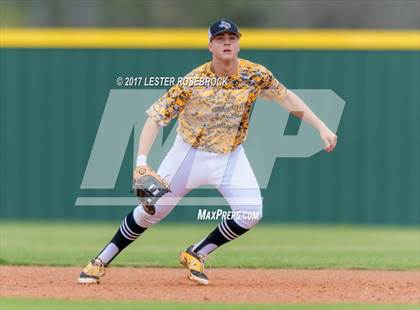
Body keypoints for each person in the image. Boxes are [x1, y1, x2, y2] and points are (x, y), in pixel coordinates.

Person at [78, 19, 337, 285]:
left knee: (250, 213)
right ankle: (100, 260)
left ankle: (196, 253)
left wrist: (321, 126)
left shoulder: (255, 74)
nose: (227, 42)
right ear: (210, 45)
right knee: (150, 210)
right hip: (188, 154)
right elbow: (155, 117)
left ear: (238, 42)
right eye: (220, 38)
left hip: (230, 157)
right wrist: (141, 161)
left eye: (232, 37)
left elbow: (286, 97)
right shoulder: (194, 80)